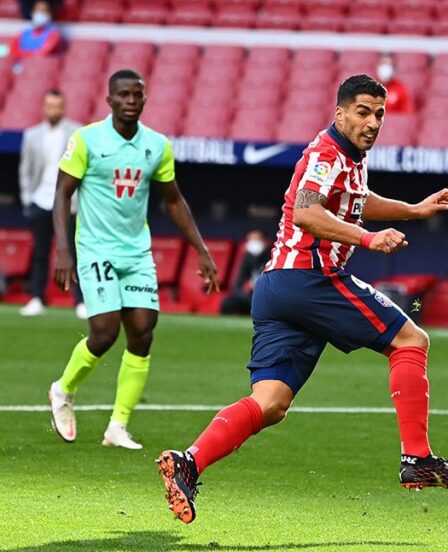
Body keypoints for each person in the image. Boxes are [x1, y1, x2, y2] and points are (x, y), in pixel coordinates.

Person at [157, 75, 448, 525]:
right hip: (311, 278)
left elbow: (355, 201)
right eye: (363, 112)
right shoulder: (326, 154)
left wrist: (414, 209)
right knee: (411, 340)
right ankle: (417, 459)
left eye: (380, 114)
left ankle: (189, 461)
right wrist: (368, 239)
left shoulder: (349, 158)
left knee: (270, 403)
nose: (372, 122)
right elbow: (307, 212)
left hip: (277, 289)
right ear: (340, 112)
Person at [48, 69, 219, 451]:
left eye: (136, 95)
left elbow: (173, 200)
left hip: (137, 252)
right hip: (95, 249)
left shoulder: (157, 146)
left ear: (144, 100)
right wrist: (63, 250)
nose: (130, 101)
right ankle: (63, 390)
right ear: (109, 101)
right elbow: (61, 195)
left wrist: (202, 251)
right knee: (105, 331)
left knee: (143, 330)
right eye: (123, 95)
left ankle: (117, 426)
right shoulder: (86, 140)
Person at [18, 89, 85, 319]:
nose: (53, 110)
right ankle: (37, 298)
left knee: (74, 253)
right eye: (50, 106)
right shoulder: (32, 135)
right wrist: (28, 198)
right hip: (40, 200)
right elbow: (25, 170)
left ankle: (80, 302)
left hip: (69, 203)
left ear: (63, 107)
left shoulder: (77, 132)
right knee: (40, 252)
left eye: (57, 106)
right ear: (43, 107)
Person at [220, 229, 271, 316]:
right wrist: (245, 297)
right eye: (250, 240)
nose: (253, 243)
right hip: (251, 296)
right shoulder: (248, 258)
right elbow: (237, 284)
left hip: (268, 297)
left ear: (265, 241)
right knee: (228, 302)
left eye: (256, 240)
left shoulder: (273, 257)